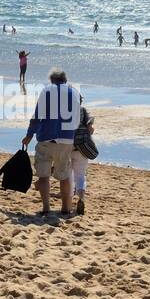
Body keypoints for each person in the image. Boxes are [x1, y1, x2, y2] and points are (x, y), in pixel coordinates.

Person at [22, 67, 79, 217]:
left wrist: (29, 135)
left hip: (46, 137)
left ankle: (46, 207)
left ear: (51, 80)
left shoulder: (46, 91)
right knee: (64, 175)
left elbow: (37, 116)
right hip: (66, 138)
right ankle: (66, 208)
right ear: (65, 80)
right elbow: (77, 118)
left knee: (44, 175)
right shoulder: (74, 92)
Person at [70, 98, 96, 216]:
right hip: (81, 148)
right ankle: (81, 198)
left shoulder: (63, 113)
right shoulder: (83, 112)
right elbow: (91, 130)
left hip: (67, 148)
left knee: (68, 175)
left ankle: (68, 201)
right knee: (80, 176)